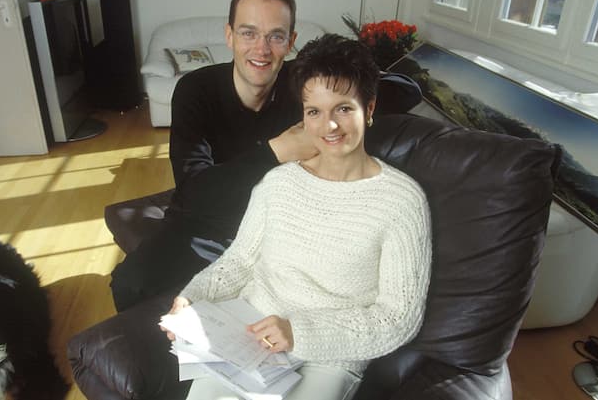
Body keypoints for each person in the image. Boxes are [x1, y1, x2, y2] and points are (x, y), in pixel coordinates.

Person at [163, 34, 433, 400]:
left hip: (333, 353)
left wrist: (298, 332)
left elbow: (398, 318)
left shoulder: (402, 201)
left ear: (369, 108)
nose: (329, 126)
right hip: (251, 330)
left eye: (343, 109)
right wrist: (193, 297)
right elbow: (239, 261)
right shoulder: (278, 183)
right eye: (314, 112)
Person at [109, 0, 318, 312]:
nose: (262, 49)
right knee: (130, 283)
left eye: (276, 36)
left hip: (277, 225)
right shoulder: (195, 90)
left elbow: (381, 84)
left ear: (291, 41)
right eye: (248, 33)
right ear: (229, 35)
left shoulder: (304, 84)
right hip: (205, 222)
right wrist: (277, 151)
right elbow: (195, 191)